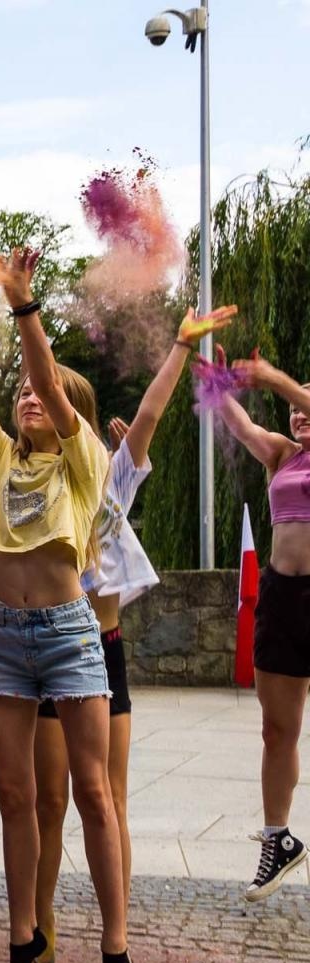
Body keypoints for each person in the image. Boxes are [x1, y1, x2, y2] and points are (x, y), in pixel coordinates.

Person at [0, 247, 134, 963]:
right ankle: (24, 940)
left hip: (69, 635)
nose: (27, 397)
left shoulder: (83, 463)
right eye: (17, 393)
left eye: (37, 393)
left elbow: (50, 379)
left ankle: (115, 951)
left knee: (92, 792)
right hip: (3, 638)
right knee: (15, 794)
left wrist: (23, 309)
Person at [31, 306, 235, 963]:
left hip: (103, 649)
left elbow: (147, 416)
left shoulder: (109, 473)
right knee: (48, 803)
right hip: (46, 650)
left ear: (79, 414)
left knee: (106, 799)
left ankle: (114, 941)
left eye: (59, 399)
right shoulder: (34, 480)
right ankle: (41, 926)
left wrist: (177, 346)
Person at [212, 346, 310, 901]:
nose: (299, 416)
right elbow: (242, 424)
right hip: (281, 595)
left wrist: (275, 377)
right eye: (297, 411)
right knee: (278, 729)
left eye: (305, 407)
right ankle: (279, 840)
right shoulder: (282, 456)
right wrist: (217, 383)